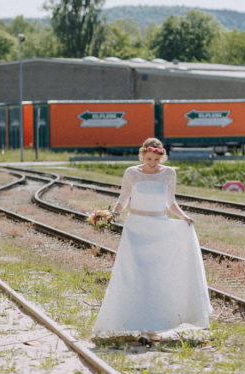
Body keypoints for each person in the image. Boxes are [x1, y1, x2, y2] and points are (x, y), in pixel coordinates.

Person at [91, 138, 212, 342]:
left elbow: (170, 202)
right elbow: (123, 199)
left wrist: (183, 217)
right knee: (134, 276)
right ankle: (132, 322)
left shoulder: (168, 173)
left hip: (159, 227)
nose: (152, 163)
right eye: (148, 159)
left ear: (161, 157)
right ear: (142, 156)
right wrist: (111, 214)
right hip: (136, 228)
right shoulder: (132, 173)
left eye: (156, 159)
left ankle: (154, 325)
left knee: (156, 277)